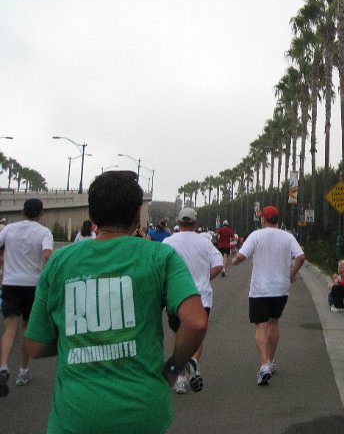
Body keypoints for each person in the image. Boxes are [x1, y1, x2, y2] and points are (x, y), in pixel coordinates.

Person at [23, 170, 207, 433]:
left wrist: (83, 336)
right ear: (136, 214)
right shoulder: (161, 256)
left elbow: (35, 345)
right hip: (143, 411)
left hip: (75, 415)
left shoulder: (60, 262)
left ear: (92, 214)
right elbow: (197, 322)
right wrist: (175, 367)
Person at [232, 205, 304, 386]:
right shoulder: (288, 236)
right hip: (281, 288)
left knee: (260, 326)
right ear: (277, 220)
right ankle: (270, 362)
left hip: (260, 289)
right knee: (274, 321)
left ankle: (264, 365)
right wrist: (292, 273)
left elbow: (241, 256)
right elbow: (301, 257)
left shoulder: (256, 235)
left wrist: (233, 261)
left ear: (263, 219)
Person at [163, 207, 223, 394]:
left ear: (179, 223)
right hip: (201, 296)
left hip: (176, 296)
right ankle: (193, 362)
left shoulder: (168, 242)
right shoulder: (205, 242)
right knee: (197, 334)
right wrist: (205, 278)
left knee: (179, 334)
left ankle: (179, 378)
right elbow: (219, 265)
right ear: (195, 224)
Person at [0, 198, 53, 396]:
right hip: (32, 284)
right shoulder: (44, 232)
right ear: (41, 213)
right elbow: (47, 255)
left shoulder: (9, 229)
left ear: (23, 212)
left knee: (10, 328)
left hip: (10, 283)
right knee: (27, 329)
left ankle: (3, 366)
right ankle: (23, 370)